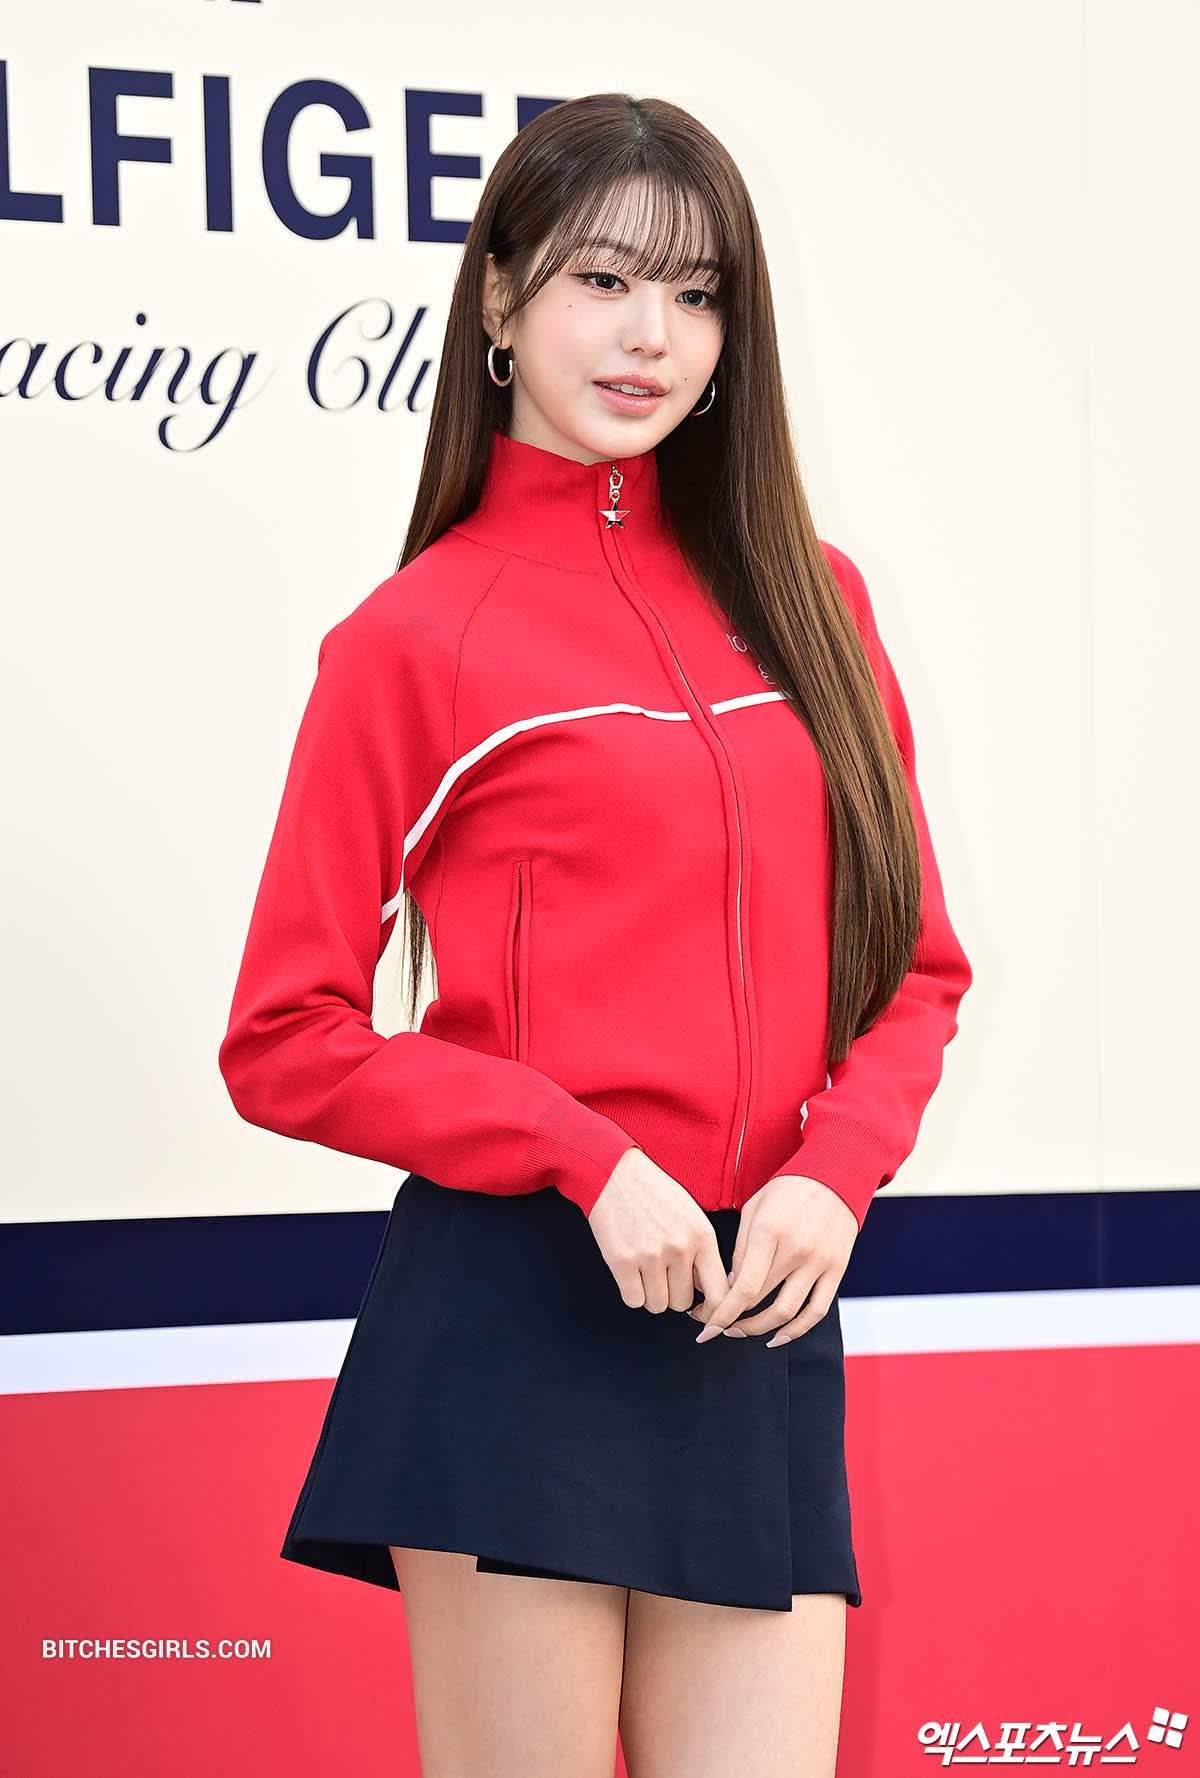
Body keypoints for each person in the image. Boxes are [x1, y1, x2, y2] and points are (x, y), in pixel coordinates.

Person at [218, 91, 972, 1778]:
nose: (653, 337)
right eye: (605, 280)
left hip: (756, 1308)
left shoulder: (816, 600)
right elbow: (283, 1036)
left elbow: (915, 970)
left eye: (697, 295)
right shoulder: (413, 637)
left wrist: (833, 1173)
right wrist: (581, 1152)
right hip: (517, 1311)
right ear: (500, 296)